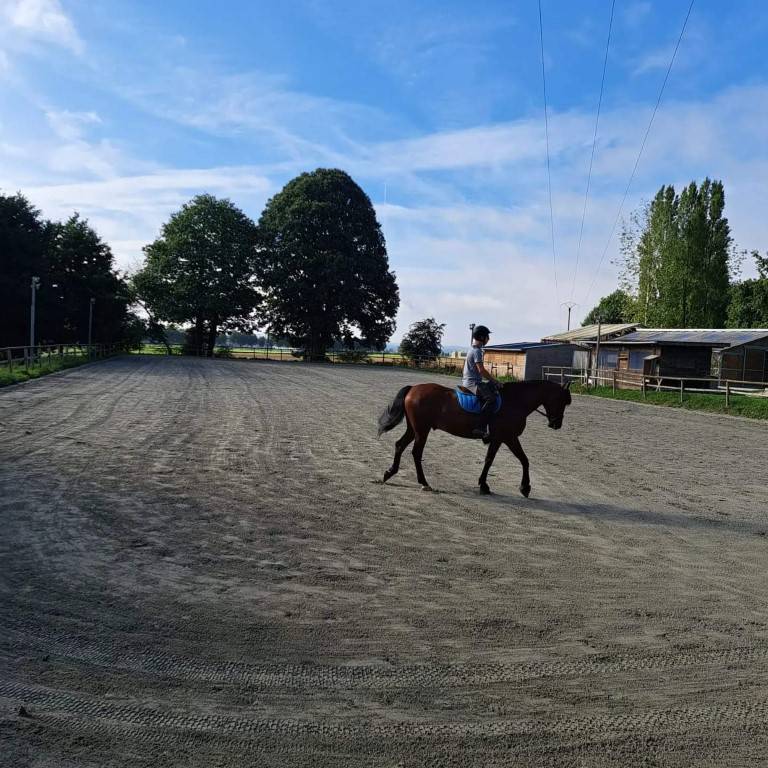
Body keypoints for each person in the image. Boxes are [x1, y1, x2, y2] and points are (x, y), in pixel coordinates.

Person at [462, 325, 500, 441]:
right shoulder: (477, 351)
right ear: (482, 337)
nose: (489, 339)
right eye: (487, 336)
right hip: (472, 383)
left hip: (473, 381)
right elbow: (481, 370)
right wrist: (494, 380)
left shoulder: (473, 349)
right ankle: (480, 427)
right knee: (491, 399)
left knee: (493, 389)